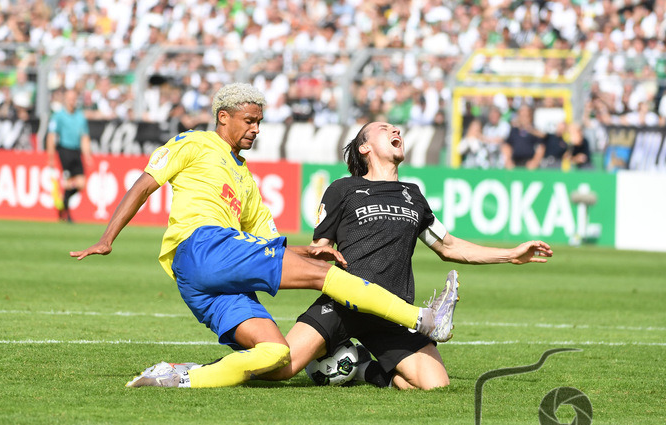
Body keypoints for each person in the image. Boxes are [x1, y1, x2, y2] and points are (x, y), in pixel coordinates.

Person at [69, 84, 458, 388]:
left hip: (202, 281)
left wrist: (305, 250)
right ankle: (423, 319)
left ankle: (181, 375)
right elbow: (144, 184)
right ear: (223, 117)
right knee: (327, 279)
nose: (255, 129)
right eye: (249, 121)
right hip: (203, 245)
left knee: (275, 355)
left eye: (259, 122)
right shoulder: (194, 143)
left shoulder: (246, 181)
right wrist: (108, 238)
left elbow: (267, 240)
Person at [258, 122, 553, 390]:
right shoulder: (343, 189)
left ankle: (361, 368)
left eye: (397, 128)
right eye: (385, 129)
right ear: (365, 147)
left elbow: (448, 246)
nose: (396, 130)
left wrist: (511, 254)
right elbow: (318, 249)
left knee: (434, 385)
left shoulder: (412, 194)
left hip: (395, 311)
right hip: (344, 302)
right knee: (280, 369)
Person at [46, 88, 93, 222]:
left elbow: (84, 137)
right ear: (65, 99)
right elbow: (51, 136)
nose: (72, 101)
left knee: (81, 183)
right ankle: (67, 214)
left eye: (74, 98)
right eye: (70, 98)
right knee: (68, 182)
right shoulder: (58, 116)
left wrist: (88, 155)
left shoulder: (80, 116)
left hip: (76, 151)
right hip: (64, 150)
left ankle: (64, 203)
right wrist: (50, 157)